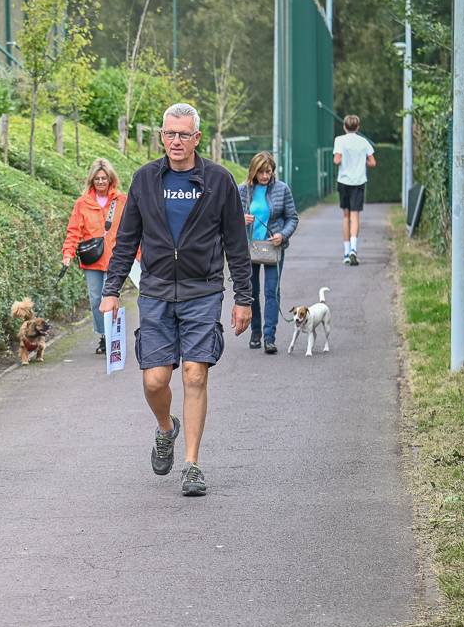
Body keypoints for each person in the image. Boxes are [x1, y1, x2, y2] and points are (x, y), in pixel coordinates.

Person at [98, 102, 252, 497]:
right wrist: (111, 290)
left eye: (184, 134)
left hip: (203, 291)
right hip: (156, 291)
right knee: (155, 380)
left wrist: (243, 297)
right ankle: (166, 428)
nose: (176, 141)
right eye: (170, 134)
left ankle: (192, 464)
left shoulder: (219, 181)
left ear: (197, 138)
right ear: (162, 137)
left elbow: (236, 243)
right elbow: (126, 239)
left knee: (195, 374)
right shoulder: (146, 179)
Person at [62, 158, 128, 355]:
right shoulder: (82, 203)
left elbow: (132, 229)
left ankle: (112, 336)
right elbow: (73, 230)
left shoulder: (121, 200)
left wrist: (139, 255)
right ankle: (103, 335)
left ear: (110, 179)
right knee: (95, 299)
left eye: (104, 178)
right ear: (92, 180)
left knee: (110, 296)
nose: (101, 182)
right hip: (93, 260)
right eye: (97, 178)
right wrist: (67, 254)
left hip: (116, 258)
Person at [237, 151, 299, 354]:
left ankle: (269, 337)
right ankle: (256, 332)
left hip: (273, 247)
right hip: (250, 248)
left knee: (272, 291)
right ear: (253, 172)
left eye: (268, 172)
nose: (265, 176)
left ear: (273, 171)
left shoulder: (282, 189)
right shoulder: (243, 190)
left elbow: (292, 218)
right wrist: (240, 219)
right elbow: (228, 218)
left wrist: (282, 235)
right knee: (252, 292)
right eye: (261, 172)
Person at [332, 114, 376, 266]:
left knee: (346, 216)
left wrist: (345, 158)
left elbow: (336, 160)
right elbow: (372, 162)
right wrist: (360, 159)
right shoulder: (363, 142)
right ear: (358, 127)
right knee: (355, 216)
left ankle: (345, 252)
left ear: (344, 127)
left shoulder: (339, 140)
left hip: (344, 181)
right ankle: (353, 249)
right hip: (358, 181)